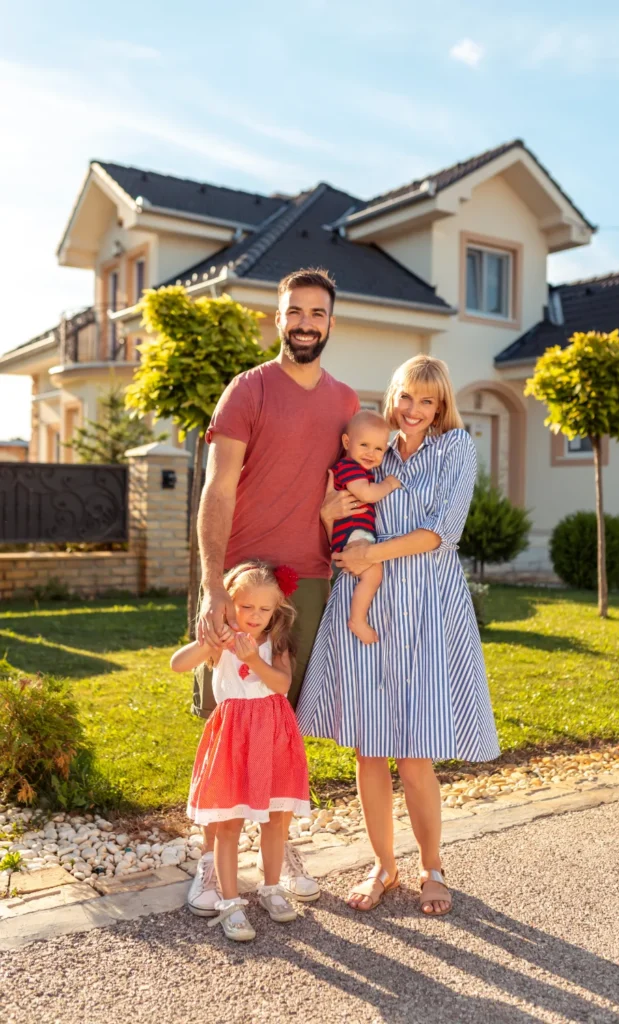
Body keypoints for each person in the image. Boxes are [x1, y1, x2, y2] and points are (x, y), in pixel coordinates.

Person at [297, 355, 500, 916]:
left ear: (441, 407)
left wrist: (371, 552)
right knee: (370, 749)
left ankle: (431, 867)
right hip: (364, 605)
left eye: (427, 401)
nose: (413, 410)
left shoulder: (456, 447)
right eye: (406, 396)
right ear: (393, 395)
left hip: (427, 608)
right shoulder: (371, 443)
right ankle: (383, 865)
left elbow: (443, 531)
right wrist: (326, 514)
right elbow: (340, 516)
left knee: (414, 754)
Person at [187, 266, 361, 916]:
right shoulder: (248, 390)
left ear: (330, 322)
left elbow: (352, 489)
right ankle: (211, 862)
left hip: (308, 582)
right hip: (237, 578)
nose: (305, 323)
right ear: (278, 317)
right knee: (223, 719)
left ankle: (275, 845)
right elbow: (217, 488)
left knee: (281, 716)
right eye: (295, 312)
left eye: (317, 313)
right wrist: (210, 586)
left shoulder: (345, 403)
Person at [172, 561, 309, 942]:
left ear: (276, 609)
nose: (255, 617)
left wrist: (254, 660)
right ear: (229, 605)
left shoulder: (276, 641)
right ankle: (230, 903)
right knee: (229, 821)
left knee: (275, 818)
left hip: (273, 733)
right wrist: (208, 642)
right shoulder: (221, 642)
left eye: (264, 609)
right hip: (234, 734)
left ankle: (271, 888)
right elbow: (177, 665)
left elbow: (281, 685)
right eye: (246, 607)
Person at [329, 410, 401, 644]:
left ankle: (358, 617)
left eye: (379, 449)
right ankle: (357, 619)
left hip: (355, 533)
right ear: (347, 442)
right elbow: (367, 494)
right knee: (373, 574)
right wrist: (388, 485)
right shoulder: (349, 467)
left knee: (373, 575)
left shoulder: (360, 469)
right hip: (351, 534)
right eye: (364, 445)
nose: (371, 453)